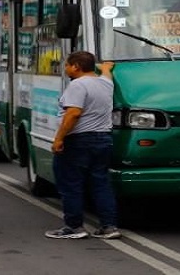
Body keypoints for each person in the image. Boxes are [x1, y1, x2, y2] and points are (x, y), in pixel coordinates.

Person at [45, 51, 121, 240]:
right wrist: (105, 68)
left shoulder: (77, 85)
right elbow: (107, 75)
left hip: (78, 141)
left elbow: (73, 114)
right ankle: (109, 226)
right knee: (100, 183)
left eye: (67, 65)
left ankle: (74, 226)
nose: (66, 69)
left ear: (76, 66)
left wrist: (59, 139)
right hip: (103, 139)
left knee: (70, 184)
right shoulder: (105, 83)